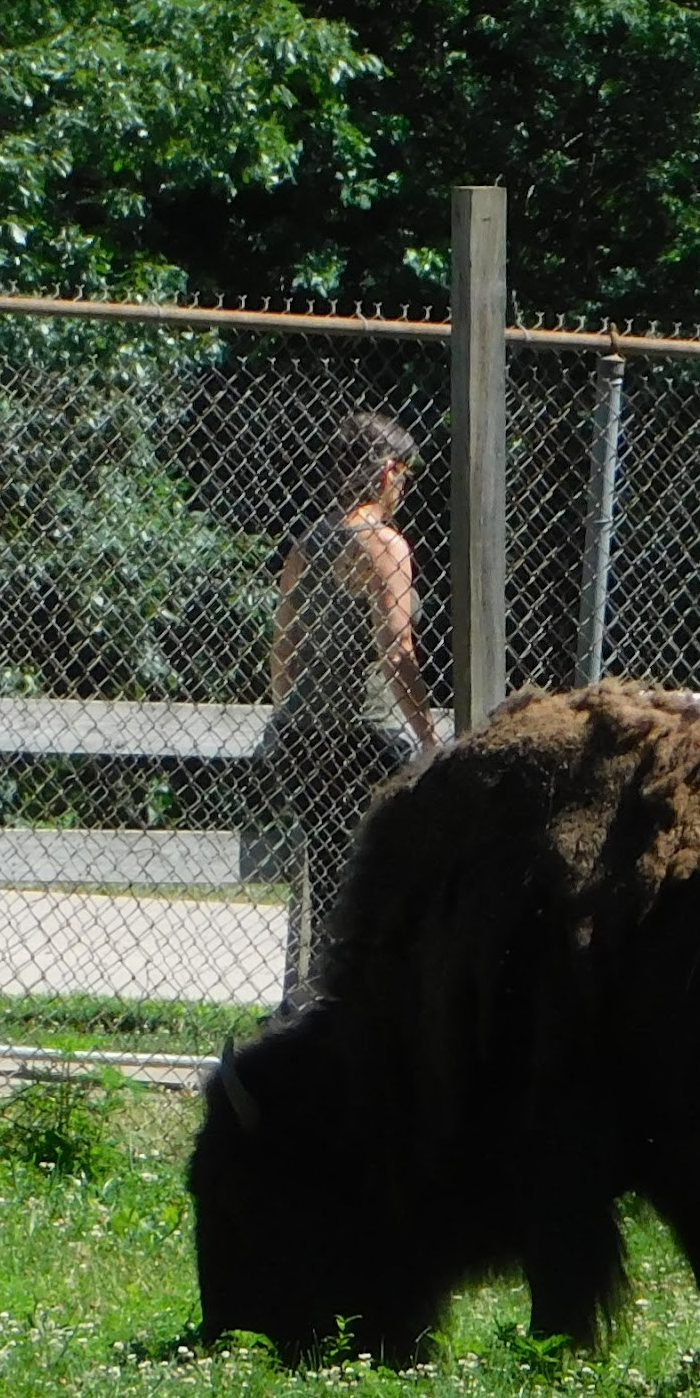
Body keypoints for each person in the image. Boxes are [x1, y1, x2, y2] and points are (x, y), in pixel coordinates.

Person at [258, 410, 439, 996]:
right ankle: (372, 998)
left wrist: (300, 705)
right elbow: (397, 650)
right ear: (386, 472)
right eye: (404, 473)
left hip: (304, 735)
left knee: (333, 877)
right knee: (393, 877)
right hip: (369, 737)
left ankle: (326, 997)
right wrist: (431, 736)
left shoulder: (307, 545)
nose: (405, 486)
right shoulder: (384, 544)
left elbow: (282, 654)